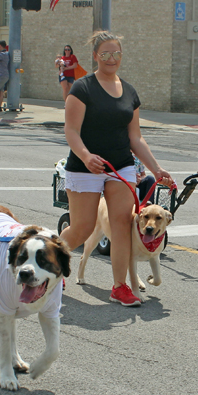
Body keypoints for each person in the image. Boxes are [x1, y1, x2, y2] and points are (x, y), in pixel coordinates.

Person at [60, 30, 174, 307]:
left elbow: (136, 138)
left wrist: (156, 169)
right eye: (105, 54)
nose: (111, 59)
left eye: (116, 53)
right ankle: (54, 260)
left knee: (123, 225)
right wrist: (86, 156)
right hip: (86, 165)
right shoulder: (82, 88)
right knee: (83, 228)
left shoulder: (130, 91)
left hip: (120, 166)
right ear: (96, 56)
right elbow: (71, 131)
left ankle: (120, 286)